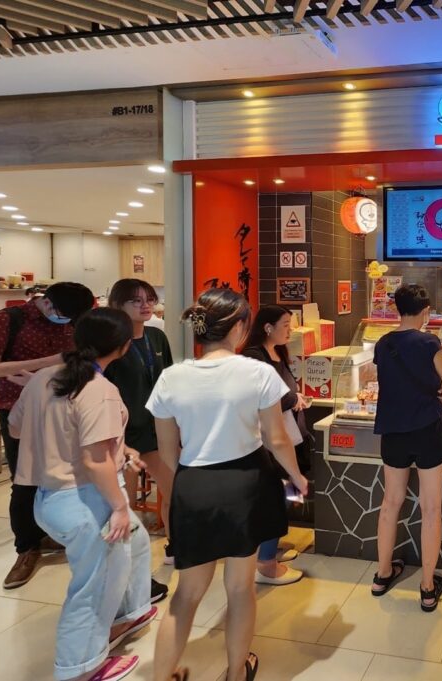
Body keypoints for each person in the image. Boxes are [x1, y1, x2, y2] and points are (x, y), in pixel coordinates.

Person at [147, 289, 308, 681]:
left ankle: (163, 675)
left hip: (194, 484)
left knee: (185, 596)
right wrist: (298, 477)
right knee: (239, 590)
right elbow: (276, 438)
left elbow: (168, 453)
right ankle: (236, 672)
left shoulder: (171, 377)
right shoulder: (257, 373)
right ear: (239, 327)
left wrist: (192, 478)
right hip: (245, 485)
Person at [10, 307, 155, 681]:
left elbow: (16, 428)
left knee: (135, 547)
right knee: (93, 587)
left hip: (49, 497)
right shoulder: (99, 390)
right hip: (87, 500)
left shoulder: (44, 378)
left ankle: (127, 616)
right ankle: (80, 668)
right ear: (123, 347)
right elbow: (93, 461)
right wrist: (119, 507)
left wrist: (119, 451)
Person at [0, 281, 95, 590]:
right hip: (19, 408)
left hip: (64, 406)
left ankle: (50, 530)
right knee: (25, 480)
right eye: (63, 314)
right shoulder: (6, 321)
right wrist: (45, 367)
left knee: (60, 476)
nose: (66, 322)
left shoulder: (72, 321)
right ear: (46, 303)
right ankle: (26, 548)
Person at [370, 283, 442, 612]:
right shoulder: (430, 341)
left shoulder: (383, 342)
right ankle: (428, 586)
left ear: (396, 309)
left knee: (391, 502)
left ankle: (382, 574)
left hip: (393, 430)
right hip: (427, 430)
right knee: (430, 509)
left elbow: (387, 381)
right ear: (426, 311)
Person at [105, 279, 173, 602]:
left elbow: (168, 381)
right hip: (122, 439)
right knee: (125, 505)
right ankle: (131, 573)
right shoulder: (111, 345)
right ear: (117, 305)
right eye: (136, 301)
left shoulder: (157, 337)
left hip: (156, 431)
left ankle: (176, 547)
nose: (146, 306)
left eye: (149, 299)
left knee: (173, 488)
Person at [242, 304, 310, 586]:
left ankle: (269, 548)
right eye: (285, 325)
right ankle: (265, 562)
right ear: (267, 327)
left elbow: (283, 389)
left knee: (285, 495)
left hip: (288, 433)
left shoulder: (278, 352)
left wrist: (296, 396)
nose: (290, 330)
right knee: (273, 497)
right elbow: (259, 397)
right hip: (268, 440)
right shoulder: (253, 357)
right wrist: (292, 400)